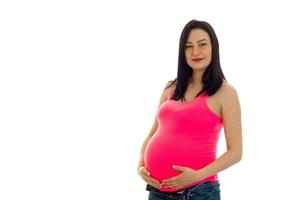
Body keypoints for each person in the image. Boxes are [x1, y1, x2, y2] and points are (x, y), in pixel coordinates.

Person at [137, 19, 242, 200]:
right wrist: (141, 166)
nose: (195, 52)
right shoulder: (171, 88)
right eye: (188, 46)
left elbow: (235, 152)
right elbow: (152, 133)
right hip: (157, 191)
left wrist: (197, 175)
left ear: (213, 48)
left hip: (197, 192)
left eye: (202, 44)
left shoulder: (225, 92)